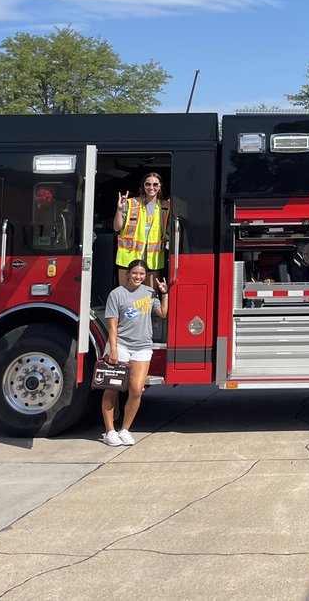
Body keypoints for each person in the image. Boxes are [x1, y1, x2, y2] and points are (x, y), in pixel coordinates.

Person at [101, 259, 169, 446]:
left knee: (137, 390)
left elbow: (163, 313)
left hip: (142, 346)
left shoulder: (150, 293)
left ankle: (124, 430)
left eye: (141, 274)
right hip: (121, 345)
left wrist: (164, 293)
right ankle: (109, 432)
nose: (138, 277)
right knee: (112, 388)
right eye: (135, 273)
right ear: (128, 274)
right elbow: (112, 326)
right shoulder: (116, 294)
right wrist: (113, 349)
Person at [114, 172, 168, 287]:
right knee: (125, 295)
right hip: (128, 258)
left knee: (150, 296)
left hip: (153, 260)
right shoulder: (131, 203)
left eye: (155, 184)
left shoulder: (166, 206)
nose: (151, 187)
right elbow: (117, 227)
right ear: (143, 186)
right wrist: (119, 210)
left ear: (160, 186)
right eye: (148, 184)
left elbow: (168, 232)